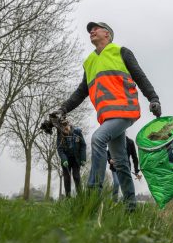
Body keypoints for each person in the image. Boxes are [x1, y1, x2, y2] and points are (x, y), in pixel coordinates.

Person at [50, 21, 161, 211]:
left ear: (107, 34)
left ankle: (93, 194)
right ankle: (131, 207)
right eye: (90, 30)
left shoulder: (122, 52)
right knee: (120, 163)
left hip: (125, 110)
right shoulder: (90, 62)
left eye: (96, 28)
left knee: (98, 138)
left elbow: (140, 77)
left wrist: (153, 98)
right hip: (108, 117)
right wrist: (63, 109)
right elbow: (80, 92)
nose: (91, 31)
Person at [56, 122, 86, 198]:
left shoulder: (77, 133)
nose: (65, 129)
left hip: (76, 159)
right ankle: (68, 197)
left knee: (76, 176)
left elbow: (83, 145)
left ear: (69, 125)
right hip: (66, 159)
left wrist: (83, 158)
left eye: (66, 127)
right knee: (66, 178)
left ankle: (80, 196)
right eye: (63, 128)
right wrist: (64, 159)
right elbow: (60, 149)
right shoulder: (60, 135)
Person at [107, 136, 142, 202]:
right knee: (117, 183)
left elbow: (134, 157)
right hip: (115, 167)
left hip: (126, 167)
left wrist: (136, 171)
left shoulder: (130, 142)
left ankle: (127, 201)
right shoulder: (114, 141)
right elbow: (108, 153)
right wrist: (109, 160)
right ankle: (114, 201)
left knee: (126, 184)